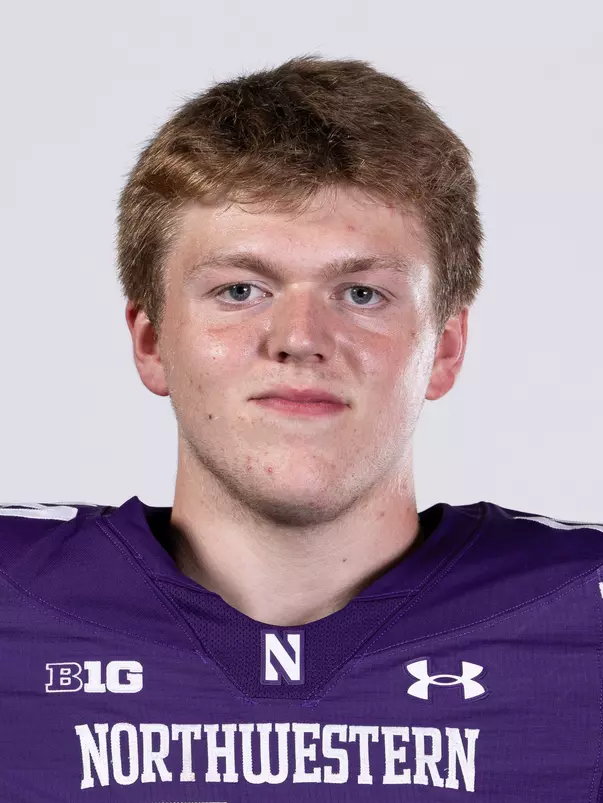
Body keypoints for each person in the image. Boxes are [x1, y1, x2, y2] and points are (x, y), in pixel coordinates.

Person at [0, 55, 601, 802]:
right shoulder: (16, 602)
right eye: (240, 289)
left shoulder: (582, 618)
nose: (299, 337)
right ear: (151, 342)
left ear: (444, 348)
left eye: (361, 292)